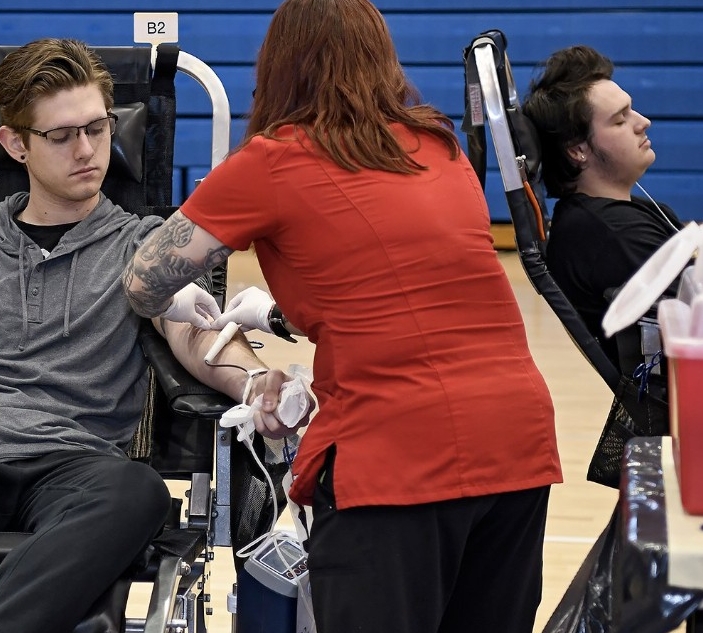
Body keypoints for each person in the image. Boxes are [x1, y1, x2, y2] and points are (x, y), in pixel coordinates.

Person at [122, 1, 563, 631]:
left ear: (278, 66)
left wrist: (170, 302)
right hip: (516, 440)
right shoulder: (438, 147)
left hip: (399, 453)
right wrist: (276, 315)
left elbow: (143, 279)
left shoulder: (274, 159)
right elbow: (393, 289)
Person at [0, 38, 308, 633]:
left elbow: (197, 340)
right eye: (62, 135)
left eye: (98, 127)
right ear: (15, 143)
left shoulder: (146, 248)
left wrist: (254, 385)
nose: (88, 149)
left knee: (139, 495)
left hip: (81, 466)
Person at [523, 45, 683, 370]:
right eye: (620, 120)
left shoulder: (610, 218)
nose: (644, 122)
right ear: (578, 149)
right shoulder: (612, 234)